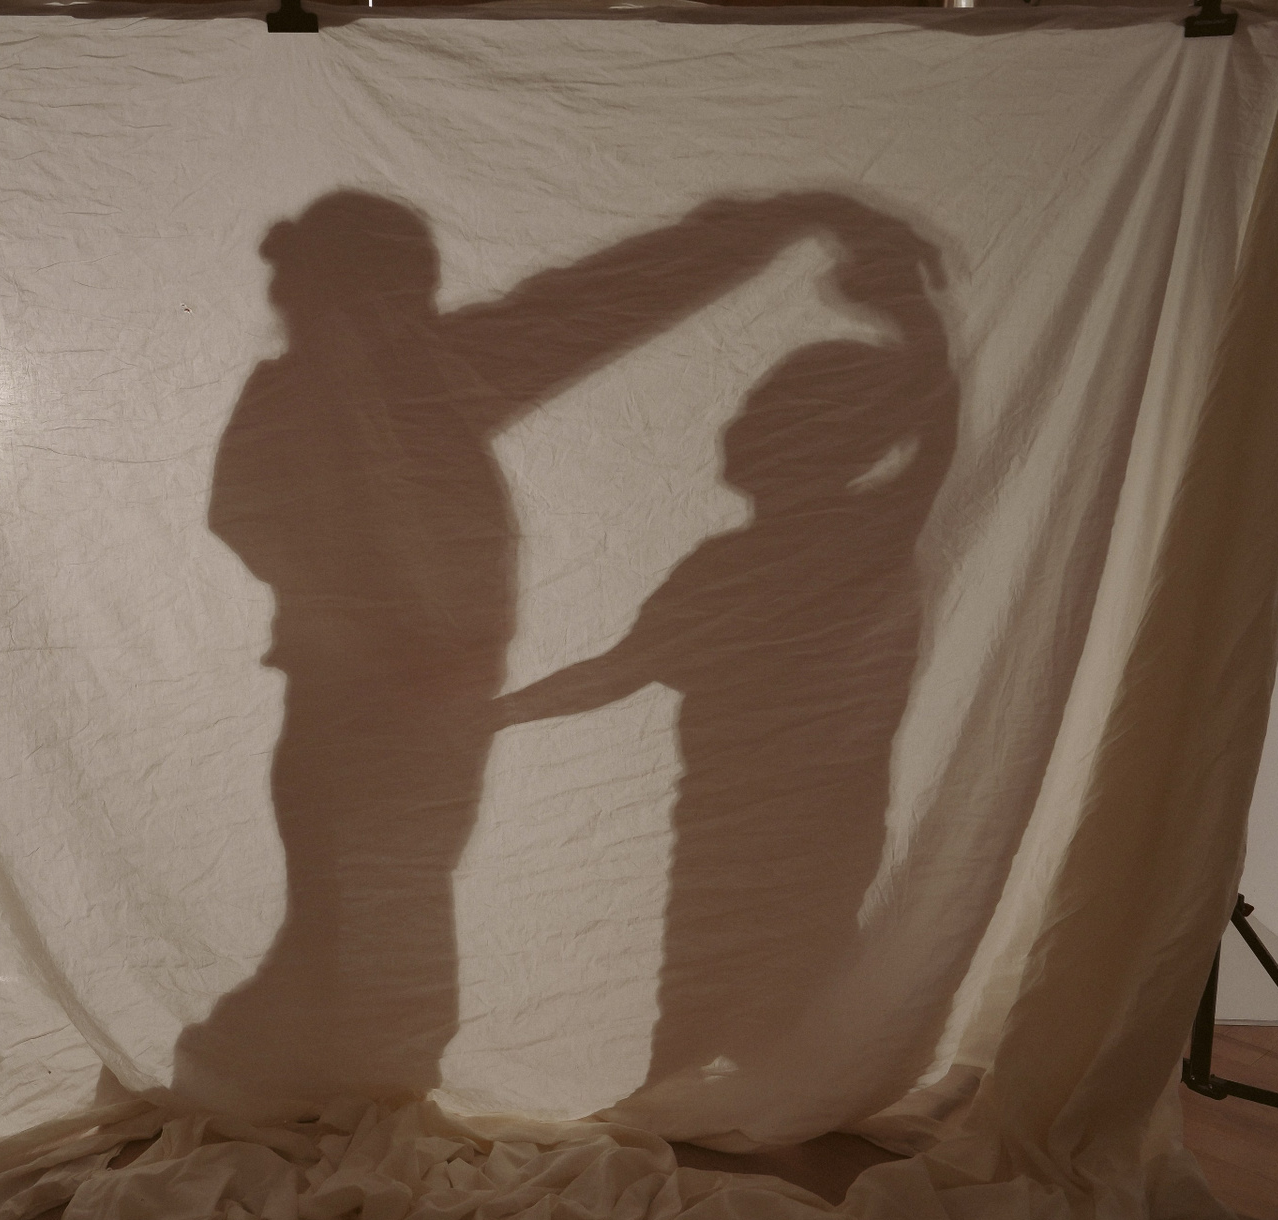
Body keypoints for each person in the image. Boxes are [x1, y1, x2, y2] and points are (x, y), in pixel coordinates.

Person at [177, 188, 940, 1115]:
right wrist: (381, 635)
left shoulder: (433, 372)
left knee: (372, 920)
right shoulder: (342, 393)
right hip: (362, 711)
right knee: (363, 921)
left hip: (422, 714)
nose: (403, 313)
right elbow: (249, 520)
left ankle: (314, 1082)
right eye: (386, 294)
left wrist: (781, 221)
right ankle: (314, 1083)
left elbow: (603, 298)